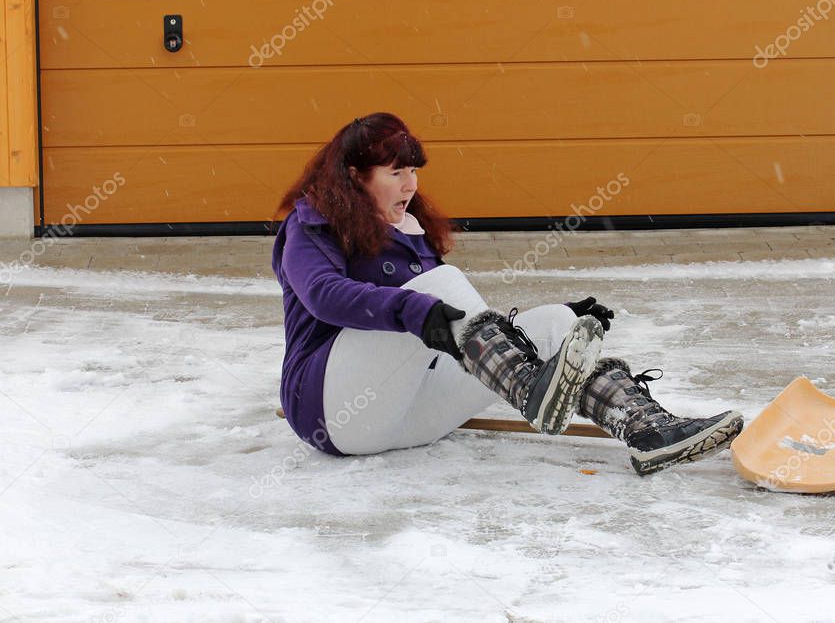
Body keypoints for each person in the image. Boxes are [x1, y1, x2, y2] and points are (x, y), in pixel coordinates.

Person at [271, 112, 743, 475]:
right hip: (333, 414)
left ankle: (647, 431)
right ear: (356, 176)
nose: (411, 185)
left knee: (558, 323)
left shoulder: (410, 232)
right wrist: (416, 308)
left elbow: (457, 331)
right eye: (396, 172)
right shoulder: (312, 225)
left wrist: (551, 325)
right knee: (442, 287)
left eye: (413, 171)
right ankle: (526, 386)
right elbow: (323, 294)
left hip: (412, 418)